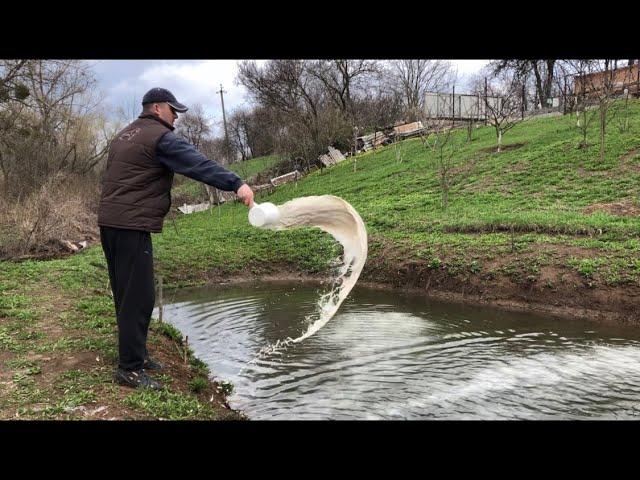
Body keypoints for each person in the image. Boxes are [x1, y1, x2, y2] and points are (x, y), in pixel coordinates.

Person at [97, 87, 254, 390]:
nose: (177, 118)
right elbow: (197, 163)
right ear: (157, 108)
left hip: (111, 222)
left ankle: (137, 355)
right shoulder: (159, 137)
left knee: (125, 293)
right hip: (131, 225)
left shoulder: (124, 135)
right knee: (140, 297)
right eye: (174, 111)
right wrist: (236, 183)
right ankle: (129, 368)